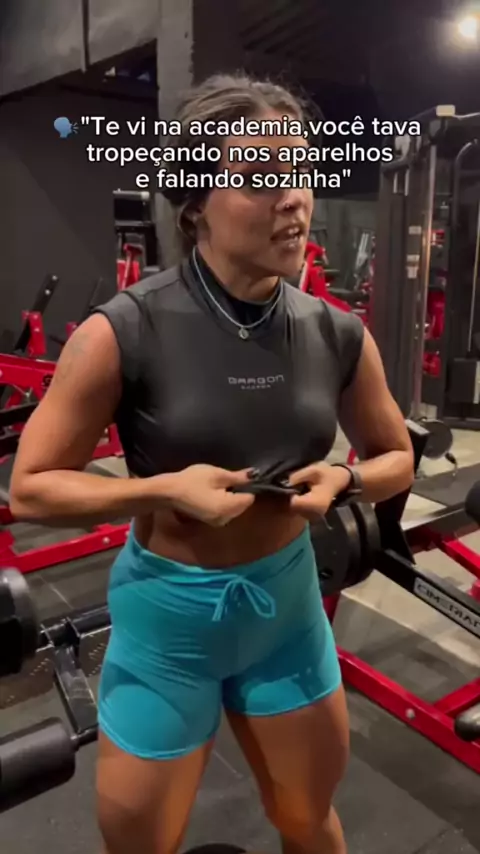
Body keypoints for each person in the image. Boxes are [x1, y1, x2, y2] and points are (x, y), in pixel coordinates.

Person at [10, 73, 414, 854]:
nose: (292, 199)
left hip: (288, 612)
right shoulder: (122, 330)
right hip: (169, 626)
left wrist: (348, 479)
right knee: (140, 842)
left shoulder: (336, 332)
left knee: (309, 819)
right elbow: (30, 489)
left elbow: (396, 455)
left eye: (298, 173)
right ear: (195, 202)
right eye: (260, 178)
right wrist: (163, 490)